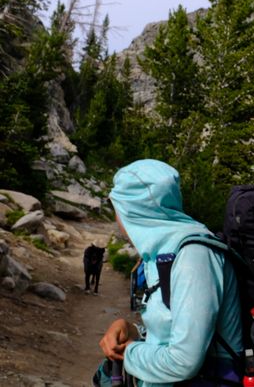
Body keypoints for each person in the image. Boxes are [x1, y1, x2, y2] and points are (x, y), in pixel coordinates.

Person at [98, 159, 243, 386]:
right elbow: (171, 332)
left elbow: (184, 360)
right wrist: (132, 330)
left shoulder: (194, 256)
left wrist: (129, 354)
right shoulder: (163, 251)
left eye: (117, 209)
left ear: (132, 211)